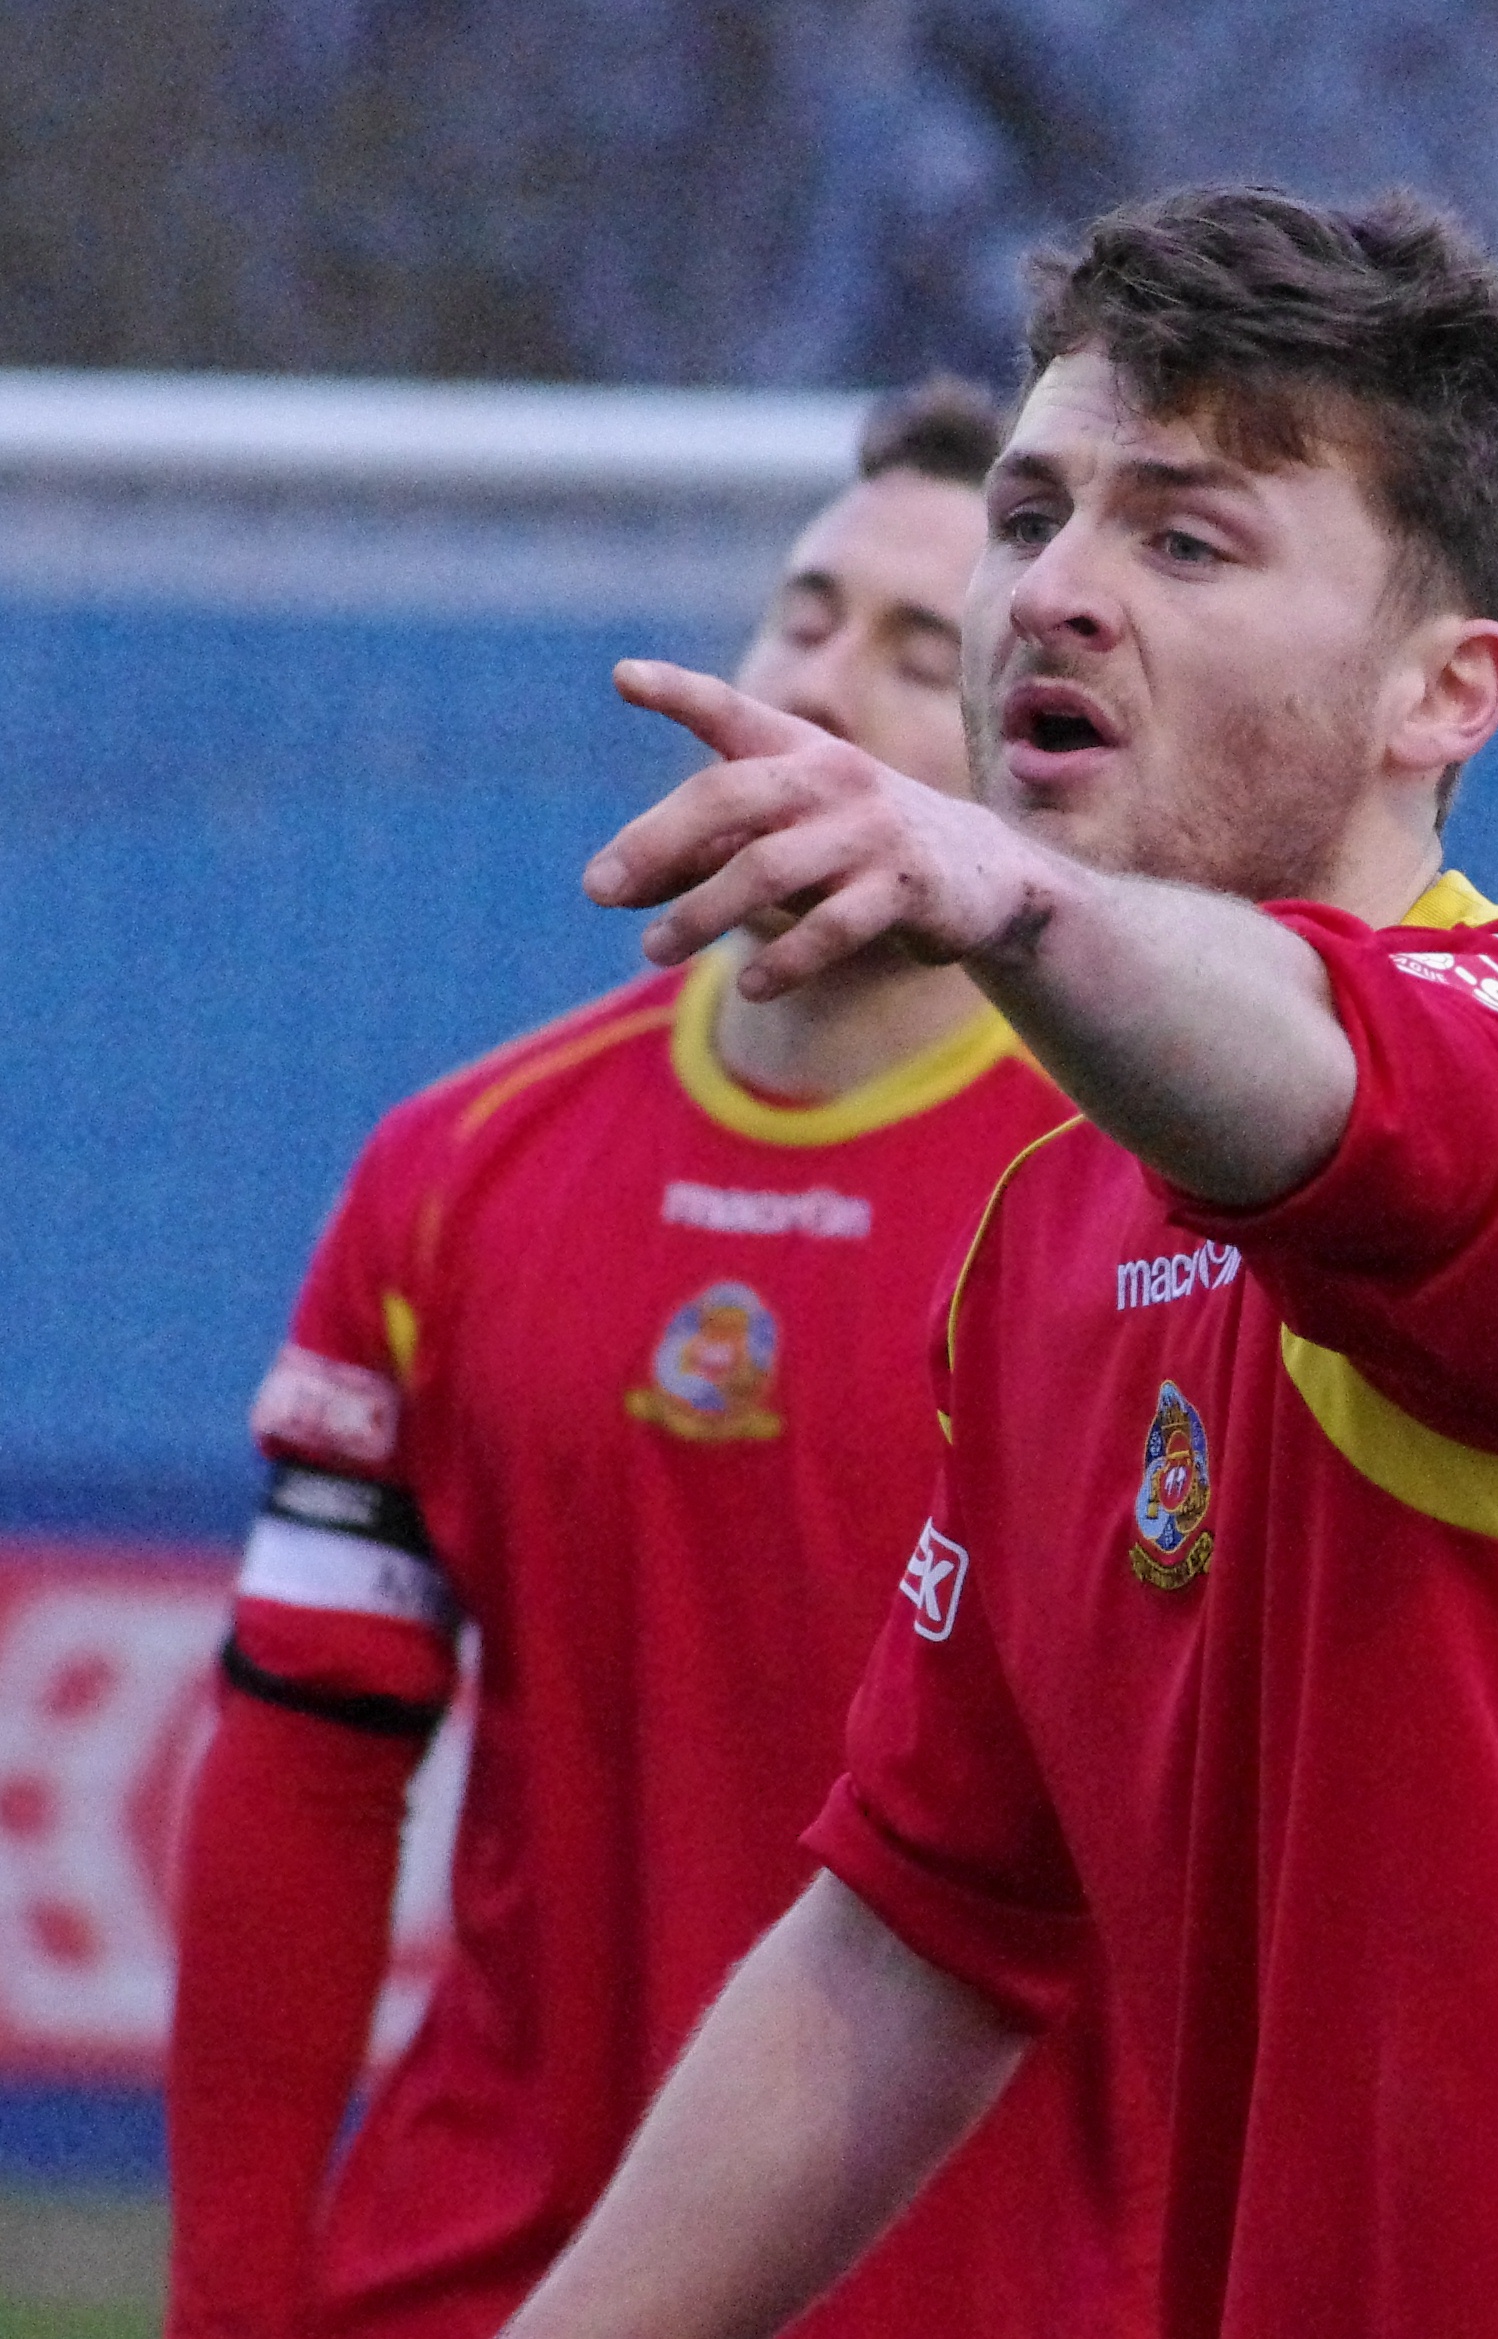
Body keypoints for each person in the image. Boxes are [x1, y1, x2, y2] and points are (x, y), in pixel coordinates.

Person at [507, 186, 1498, 2339]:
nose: (1054, 596)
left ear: (1445, 694)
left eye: (1186, 538)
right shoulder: (1047, 1231)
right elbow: (913, 1939)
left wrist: (1011, 909)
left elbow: (1335, 1078)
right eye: (1035, 515)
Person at [164, 380, 1154, 2339]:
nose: (824, 682)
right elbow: (297, 1773)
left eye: (911, 644)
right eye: (803, 612)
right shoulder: (456, 1173)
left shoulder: (1145, 1213)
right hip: (478, 2284)